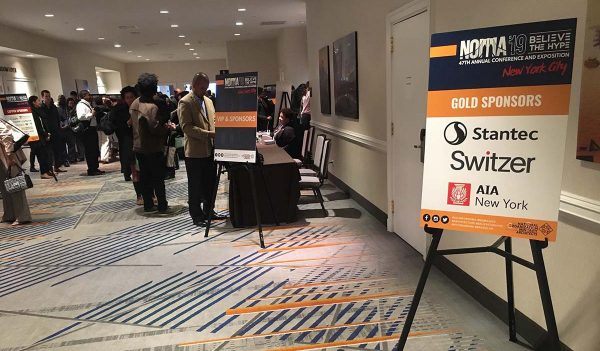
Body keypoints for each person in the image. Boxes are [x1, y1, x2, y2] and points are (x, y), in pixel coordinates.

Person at [178, 72, 224, 226]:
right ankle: (196, 216)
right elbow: (187, 128)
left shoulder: (209, 101)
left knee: (210, 184)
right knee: (196, 186)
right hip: (195, 153)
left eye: (206, 87)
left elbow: (214, 121)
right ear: (194, 85)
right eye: (202, 87)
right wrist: (211, 134)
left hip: (210, 150)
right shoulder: (185, 102)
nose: (204, 90)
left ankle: (209, 211)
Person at [130, 73, 174, 213]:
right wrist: (166, 129)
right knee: (158, 178)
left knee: (144, 176)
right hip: (153, 147)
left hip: (138, 146)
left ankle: (148, 204)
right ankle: (162, 204)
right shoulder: (151, 107)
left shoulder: (135, 103)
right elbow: (155, 129)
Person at [0, 119, 32, 226]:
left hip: (7, 155)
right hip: (2, 157)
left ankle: (23, 216)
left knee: (15, 184)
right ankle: (9, 214)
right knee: (4, 186)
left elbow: (6, 134)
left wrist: (10, 154)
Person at [111, 86, 137, 183]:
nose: (130, 99)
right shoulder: (119, 109)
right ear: (124, 98)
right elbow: (117, 124)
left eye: (132, 97)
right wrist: (127, 123)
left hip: (136, 134)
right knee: (127, 153)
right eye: (127, 97)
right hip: (124, 135)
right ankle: (127, 173)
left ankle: (135, 171)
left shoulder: (138, 106)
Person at [76, 90, 104, 176]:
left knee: (94, 149)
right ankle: (91, 169)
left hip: (92, 129)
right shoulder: (81, 105)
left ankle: (95, 167)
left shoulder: (87, 104)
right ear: (84, 96)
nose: (91, 96)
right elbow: (81, 116)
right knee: (90, 150)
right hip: (87, 130)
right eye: (89, 95)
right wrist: (91, 114)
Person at [41, 90, 66, 173]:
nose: (48, 98)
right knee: (49, 152)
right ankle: (49, 168)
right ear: (42, 97)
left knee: (57, 150)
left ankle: (56, 166)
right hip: (48, 132)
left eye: (49, 96)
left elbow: (57, 118)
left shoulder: (53, 107)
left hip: (56, 131)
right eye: (46, 96)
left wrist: (60, 128)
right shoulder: (41, 108)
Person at [28, 96, 53, 179]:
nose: (40, 102)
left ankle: (47, 171)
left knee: (45, 155)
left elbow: (43, 123)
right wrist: (45, 134)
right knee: (41, 156)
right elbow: (38, 126)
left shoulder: (39, 110)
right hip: (36, 137)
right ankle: (43, 173)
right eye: (38, 100)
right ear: (33, 102)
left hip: (42, 136)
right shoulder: (32, 112)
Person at [57, 95, 76, 166]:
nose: (62, 100)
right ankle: (65, 160)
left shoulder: (67, 108)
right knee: (64, 146)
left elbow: (70, 116)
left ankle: (71, 159)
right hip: (62, 129)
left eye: (63, 99)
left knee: (71, 145)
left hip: (68, 128)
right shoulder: (58, 109)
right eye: (60, 99)